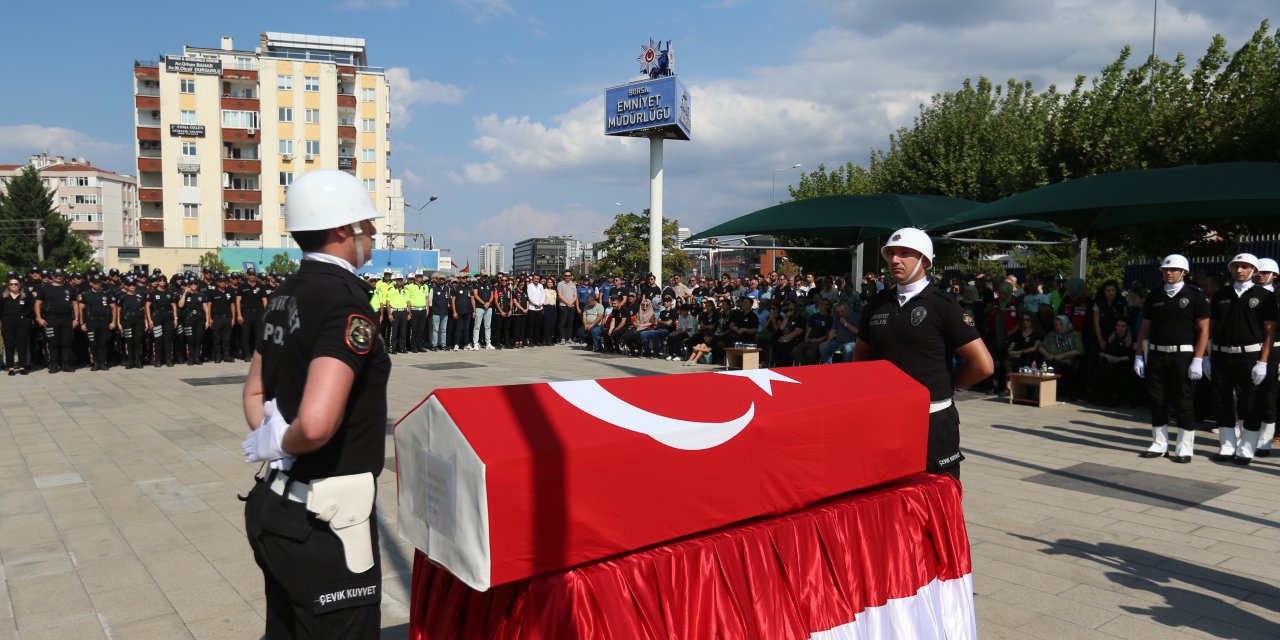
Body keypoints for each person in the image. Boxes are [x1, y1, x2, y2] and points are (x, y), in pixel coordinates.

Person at [241, 169, 391, 639]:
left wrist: (276, 444)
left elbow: (253, 394)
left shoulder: (285, 293)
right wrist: (291, 440)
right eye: (366, 226)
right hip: (325, 524)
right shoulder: (344, 302)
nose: (371, 236)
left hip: (277, 506)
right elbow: (319, 424)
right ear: (343, 230)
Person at [854, 228, 994, 480]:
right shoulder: (876, 306)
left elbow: (982, 365)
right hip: (886, 420)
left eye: (905, 253)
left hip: (932, 422)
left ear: (924, 260)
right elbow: (860, 362)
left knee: (937, 500)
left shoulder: (943, 305)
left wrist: (947, 387)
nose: (895, 260)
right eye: (891, 254)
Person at [1132, 254, 1209, 462]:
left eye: (1174, 269)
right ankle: (1159, 443)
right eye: (1166, 269)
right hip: (1156, 354)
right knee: (1158, 400)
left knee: (1183, 401)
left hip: (1182, 354)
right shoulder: (1155, 295)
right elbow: (1144, 328)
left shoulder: (1194, 295)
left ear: (1184, 272)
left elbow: (1204, 329)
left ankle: (1184, 447)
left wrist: (1198, 359)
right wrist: (1139, 355)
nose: (1169, 272)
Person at [1207, 253, 1275, 465]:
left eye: (1245, 266)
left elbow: (1269, 332)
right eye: (1236, 266)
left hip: (1250, 356)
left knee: (1251, 402)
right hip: (1221, 355)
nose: (1239, 270)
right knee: (1223, 401)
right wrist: (1205, 357)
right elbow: (1211, 327)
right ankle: (1227, 446)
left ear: (1253, 270)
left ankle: (1246, 448)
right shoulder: (1221, 295)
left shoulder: (1265, 296)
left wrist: (1263, 362)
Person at [1, 274, 32, 375]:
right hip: (7, 322)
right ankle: (10, 367)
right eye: (11, 284)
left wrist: (26, 319)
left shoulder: (25, 295)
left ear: (20, 285)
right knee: (9, 344)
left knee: (22, 344)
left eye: (16, 284)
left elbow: (30, 308)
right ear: (8, 285)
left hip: (22, 323)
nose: (13, 286)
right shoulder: (3, 296)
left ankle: (22, 366)